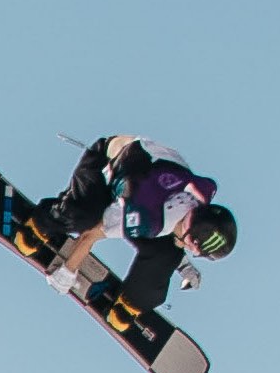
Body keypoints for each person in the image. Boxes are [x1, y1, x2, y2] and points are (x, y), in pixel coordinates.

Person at [45, 134, 235, 312]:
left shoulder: (199, 197)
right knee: (80, 218)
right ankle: (41, 222)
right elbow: (90, 234)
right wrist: (67, 272)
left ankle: (130, 304)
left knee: (167, 254)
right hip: (105, 164)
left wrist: (182, 264)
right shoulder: (147, 218)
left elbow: (179, 229)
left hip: (144, 176)